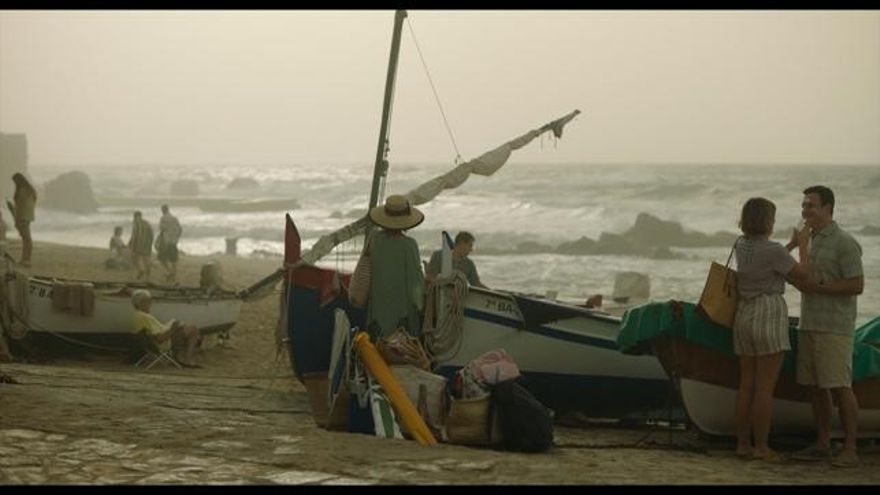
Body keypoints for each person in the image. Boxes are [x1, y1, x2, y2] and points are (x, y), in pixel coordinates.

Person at [787, 185, 864, 468]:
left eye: (811, 205)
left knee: (840, 386)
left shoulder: (845, 242)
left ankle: (851, 448)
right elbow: (801, 277)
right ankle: (822, 443)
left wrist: (819, 288)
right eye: (803, 205)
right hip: (809, 322)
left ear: (828, 208)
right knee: (816, 388)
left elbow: (857, 285)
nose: (805, 210)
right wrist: (794, 247)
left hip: (834, 326)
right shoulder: (808, 240)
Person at [731, 197, 809, 462]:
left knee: (746, 385)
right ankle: (761, 447)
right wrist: (803, 246)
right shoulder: (773, 250)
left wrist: (790, 245)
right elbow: (802, 273)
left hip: (744, 315)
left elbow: (768, 261)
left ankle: (742, 444)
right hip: (768, 314)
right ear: (768, 221)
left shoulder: (741, 245)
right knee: (764, 388)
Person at [365, 194, 425, 339]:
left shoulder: (374, 240)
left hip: (376, 314)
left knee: (377, 343)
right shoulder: (409, 245)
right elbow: (415, 283)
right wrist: (421, 305)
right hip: (402, 317)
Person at [131, 289, 202, 368]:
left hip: (159, 340)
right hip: (165, 343)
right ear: (141, 302)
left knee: (190, 330)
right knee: (193, 329)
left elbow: (157, 331)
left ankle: (184, 356)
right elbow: (160, 338)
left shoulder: (138, 315)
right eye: (149, 301)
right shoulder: (144, 317)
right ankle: (186, 358)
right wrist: (173, 328)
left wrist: (170, 325)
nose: (151, 304)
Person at [11, 173, 37, 267]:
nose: (15, 184)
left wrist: (13, 211)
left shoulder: (21, 191)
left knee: (26, 239)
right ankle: (26, 259)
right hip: (28, 217)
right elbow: (28, 206)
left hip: (22, 217)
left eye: (15, 181)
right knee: (27, 239)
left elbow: (19, 207)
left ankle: (26, 260)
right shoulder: (30, 191)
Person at [157, 204, 183, 283]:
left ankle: (170, 272)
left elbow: (161, 228)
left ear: (162, 210)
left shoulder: (163, 218)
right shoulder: (174, 218)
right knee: (174, 260)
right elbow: (180, 229)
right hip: (174, 242)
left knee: (162, 259)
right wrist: (177, 238)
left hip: (166, 241)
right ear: (168, 209)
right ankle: (173, 275)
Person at [129, 211, 154, 281]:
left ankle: (140, 270)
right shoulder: (147, 223)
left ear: (135, 217)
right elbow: (152, 234)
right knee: (147, 261)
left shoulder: (136, 224)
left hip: (138, 244)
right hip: (147, 245)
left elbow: (134, 235)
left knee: (134, 258)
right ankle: (148, 278)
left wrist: (131, 244)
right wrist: (150, 243)